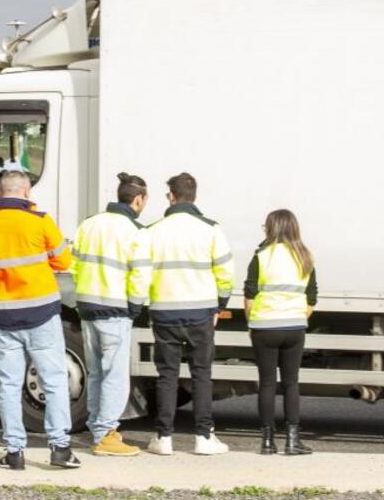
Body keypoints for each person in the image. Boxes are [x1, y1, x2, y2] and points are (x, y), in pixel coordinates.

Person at [0, 171, 78, 470]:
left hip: (5, 314)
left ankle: (14, 452)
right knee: (55, 381)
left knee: (9, 384)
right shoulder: (40, 221)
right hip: (41, 312)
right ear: (27, 192)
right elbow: (64, 261)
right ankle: (60, 449)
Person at [129, 172, 235, 456]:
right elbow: (226, 272)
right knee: (202, 374)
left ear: (170, 197)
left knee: (167, 376)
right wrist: (220, 304)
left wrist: (136, 306)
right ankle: (204, 437)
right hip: (201, 311)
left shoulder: (151, 232)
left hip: (164, 312)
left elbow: (140, 274)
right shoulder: (211, 229)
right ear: (194, 196)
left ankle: (163, 438)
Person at [71, 172, 149, 457]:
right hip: (116, 309)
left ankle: (96, 428)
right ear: (139, 200)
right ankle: (106, 435)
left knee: (95, 372)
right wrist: (136, 305)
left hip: (87, 305)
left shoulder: (88, 225)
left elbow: (75, 266)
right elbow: (140, 275)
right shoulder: (135, 231)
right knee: (115, 374)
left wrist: (82, 295)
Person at [244, 209, 317, 456]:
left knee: (266, 383)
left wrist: (252, 323)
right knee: (291, 383)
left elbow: (250, 294)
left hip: (264, 326)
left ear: (271, 228)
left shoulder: (261, 256)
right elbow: (311, 299)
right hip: (294, 327)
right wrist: (295, 317)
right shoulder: (305, 257)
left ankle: (267, 442)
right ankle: (293, 441)